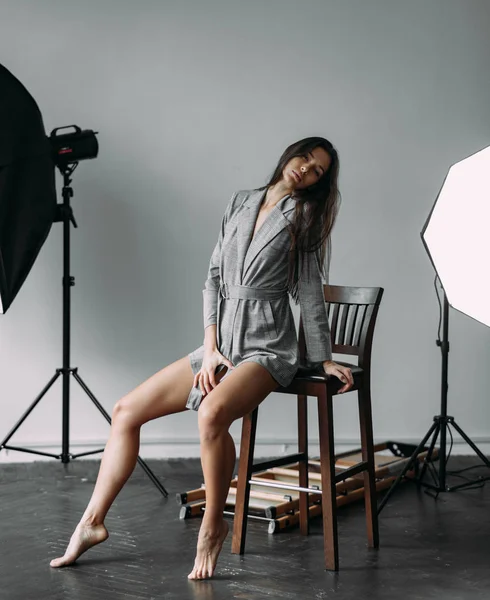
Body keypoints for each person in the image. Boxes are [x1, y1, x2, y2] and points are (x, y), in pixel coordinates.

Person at [49, 136, 354, 580]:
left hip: (267, 346)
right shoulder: (240, 201)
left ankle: (213, 523)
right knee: (125, 410)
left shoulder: (303, 217)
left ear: (317, 184)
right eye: (305, 158)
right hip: (222, 343)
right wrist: (210, 348)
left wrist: (323, 357)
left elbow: (308, 290)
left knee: (211, 414)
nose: (306, 170)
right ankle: (92, 522)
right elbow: (213, 277)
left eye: (317, 171)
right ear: (290, 154)